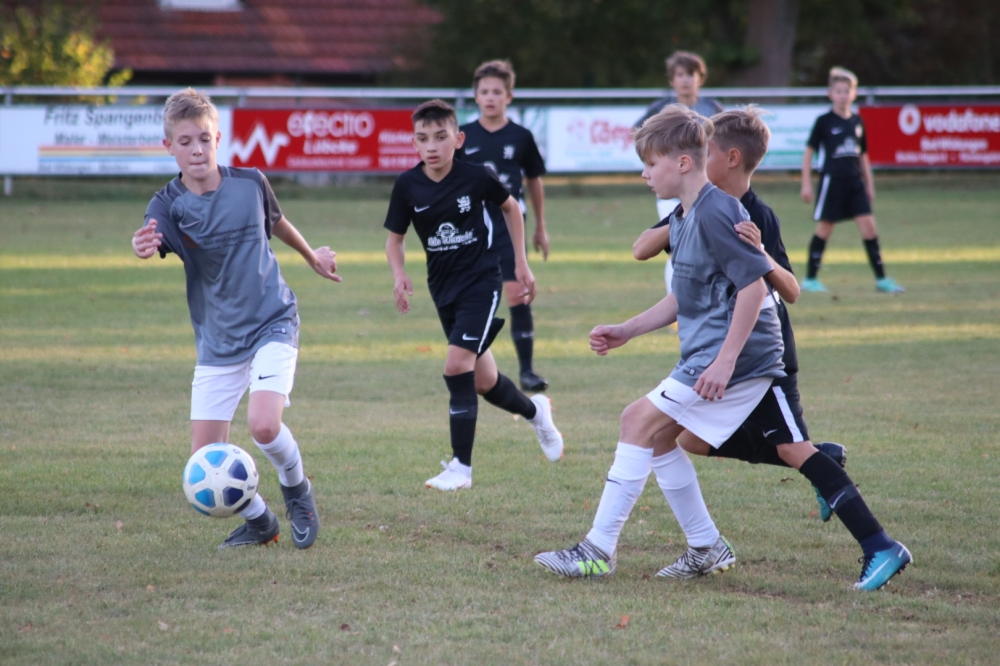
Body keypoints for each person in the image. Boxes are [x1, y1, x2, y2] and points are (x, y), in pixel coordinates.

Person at [648, 107, 912, 591]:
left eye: (707, 151)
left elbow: (788, 290)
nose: (699, 158)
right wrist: (680, 218)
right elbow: (643, 247)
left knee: (791, 447)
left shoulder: (756, 215)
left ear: (730, 158)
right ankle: (822, 458)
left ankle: (880, 545)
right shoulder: (701, 208)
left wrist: (761, 253)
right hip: (719, 352)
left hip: (760, 357)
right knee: (691, 440)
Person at [534, 105, 781, 581]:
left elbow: (754, 289)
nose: (645, 174)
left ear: (683, 163)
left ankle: (597, 551)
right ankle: (707, 546)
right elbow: (684, 296)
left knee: (636, 420)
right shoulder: (684, 216)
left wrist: (725, 362)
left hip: (740, 354)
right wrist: (627, 330)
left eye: (651, 163)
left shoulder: (719, 210)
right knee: (662, 438)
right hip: (713, 352)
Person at [131, 88, 338, 549]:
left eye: (204, 139)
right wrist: (140, 245)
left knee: (264, 425)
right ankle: (261, 521)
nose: (197, 150)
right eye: (185, 142)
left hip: (272, 319)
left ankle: (297, 490)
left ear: (218, 139)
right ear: (169, 147)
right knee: (203, 462)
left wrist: (312, 256)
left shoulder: (250, 183)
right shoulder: (168, 204)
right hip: (218, 338)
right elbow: (150, 235)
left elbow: (276, 221)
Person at [384, 100, 563, 492]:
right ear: (414, 144)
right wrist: (399, 274)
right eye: (423, 139)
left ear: (458, 139)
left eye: (441, 137)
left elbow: (512, 209)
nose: (432, 146)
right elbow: (394, 240)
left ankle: (460, 468)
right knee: (483, 381)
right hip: (442, 289)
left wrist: (521, 262)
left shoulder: (477, 176)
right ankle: (536, 412)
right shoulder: (407, 185)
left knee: (455, 366)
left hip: (481, 282)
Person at [458, 60, 551, 393]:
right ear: (475, 96)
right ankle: (468, 366)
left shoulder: (521, 137)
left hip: (510, 224)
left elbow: (534, 181)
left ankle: (527, 371)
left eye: (497, 92)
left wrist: (540, 227)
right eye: (484, 91)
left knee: (516, 293)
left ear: (509, 97)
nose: (490, 97)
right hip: (472, 227)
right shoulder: (462, 136)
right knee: (473, 296)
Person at [800, 66, 904, 294]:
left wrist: (869, 184)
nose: (843, 95)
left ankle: (881, 279)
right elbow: (809, 152)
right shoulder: (824, 121)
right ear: (830, 94)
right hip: (832, 181)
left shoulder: (857, 121)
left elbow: (863, 155)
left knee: (870, 228)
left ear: (854, 94)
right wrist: (806, 183)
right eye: (838, 91)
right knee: (824, 229)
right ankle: (810, 279)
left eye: (847, 91)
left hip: (855, 183)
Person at [635, 51, 725, 294]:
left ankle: (708, 294)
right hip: (673, 189)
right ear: (672, 80)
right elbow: (639, 133)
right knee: (677, 243)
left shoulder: (712, 108)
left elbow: (726, 139)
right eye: (680, 74)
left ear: (700, 79)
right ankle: (676, 299)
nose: (686, 80)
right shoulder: (660, 109)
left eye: (691, 74)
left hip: (706, 187)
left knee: (706, 244)